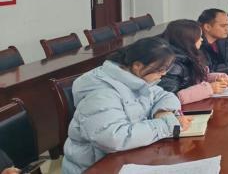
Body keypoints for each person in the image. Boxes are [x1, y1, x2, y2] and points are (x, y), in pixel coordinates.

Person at [62, 37, 190, 174]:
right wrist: (165, 125)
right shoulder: (101, 93)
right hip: (96, 166)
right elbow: (113, 139)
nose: (164, 74)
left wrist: (162, 111)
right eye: (160, 69)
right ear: (138, 65)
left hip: (127, 157)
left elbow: (165, 96)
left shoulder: (137, 78)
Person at [159, 19, 228, 104]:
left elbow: (193, 79)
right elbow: (169, 99)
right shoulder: (172, 65)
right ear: (187, 40)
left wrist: (215, 78)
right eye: (199, 37)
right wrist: (209, 89)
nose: (202, 40)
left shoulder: (190, 55)